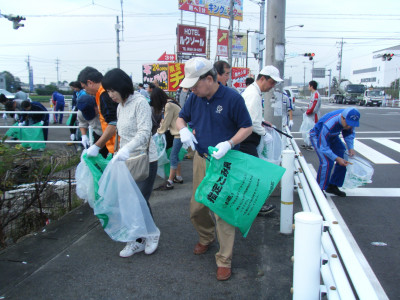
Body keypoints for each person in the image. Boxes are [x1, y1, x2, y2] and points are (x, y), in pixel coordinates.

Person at [176, 57, 253, 281]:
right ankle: (206, 236)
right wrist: (184, 130)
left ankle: (224, 259)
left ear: (209, 79)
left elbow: (246, 127)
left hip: (225, 162)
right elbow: (182, 118)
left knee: (222, 212)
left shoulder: (232, 98)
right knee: (197, 207)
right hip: (202, 159)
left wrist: (229, 143)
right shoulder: (194, 97)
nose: (192, 89)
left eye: (195, 84)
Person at [101, 68, 159, 257]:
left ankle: (151, 235)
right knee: (129, 200)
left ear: (122, 87)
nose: (110, 95)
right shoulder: (121, 106)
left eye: (112, 91)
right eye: (108, 92)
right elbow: (122, 133)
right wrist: (119, 151)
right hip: (127, 159)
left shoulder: (139, 102)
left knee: (140, 199)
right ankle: (136, 239)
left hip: (145, 159)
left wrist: (126, 150)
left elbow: (144, 132)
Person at [240, 65, 283, 216]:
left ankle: (251, 204)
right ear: (262, 78)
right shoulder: (253, 94)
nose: (272, 87)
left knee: (250, 173)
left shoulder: (253, 92)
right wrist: (265, 133)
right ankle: (255, 206)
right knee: (255, 173)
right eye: (271, 83)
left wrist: (264, 122)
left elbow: (253, 116)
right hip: (247, 138)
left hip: (247, 137)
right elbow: (251, 121)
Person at [309, 108, 361, 197]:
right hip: (318, 136)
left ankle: (333, 185)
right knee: (327, 162)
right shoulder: (329, 124)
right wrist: (336, 158)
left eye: (352, 125)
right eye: (348, 124)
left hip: (333, 136)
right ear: (342, 118)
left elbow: (349, 134)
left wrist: (350, 148)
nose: (349, 127)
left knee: (344, 157)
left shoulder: (350, 119)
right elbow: (323, 147)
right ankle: (319, 190)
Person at [77, 66, 118, 157]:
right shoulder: (101, 93)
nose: (86, 91)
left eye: (84, 87)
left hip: (118, 145)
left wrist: (97, 146)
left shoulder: (104, 94)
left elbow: (113, 123)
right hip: (113, 144)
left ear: (90, 83)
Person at [151, 87, 183, 190]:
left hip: (179, 133)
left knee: (173, 156)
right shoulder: (171, 102)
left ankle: (170, 181)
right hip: (180, 132)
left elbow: (166, 123)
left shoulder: (168, 105)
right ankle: (178, 177)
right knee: (175, 155)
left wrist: (157, 133)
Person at [301, 80, 321, 151]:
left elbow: (314, 107)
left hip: (313, 116)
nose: (308, 87)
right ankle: (308, 143)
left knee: (312, 130)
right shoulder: (313, 94)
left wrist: (307, 112)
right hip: (310, 115)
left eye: (309, 86)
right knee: (308, 129)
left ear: (311, 86)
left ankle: (312, 145)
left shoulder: (316, 95)